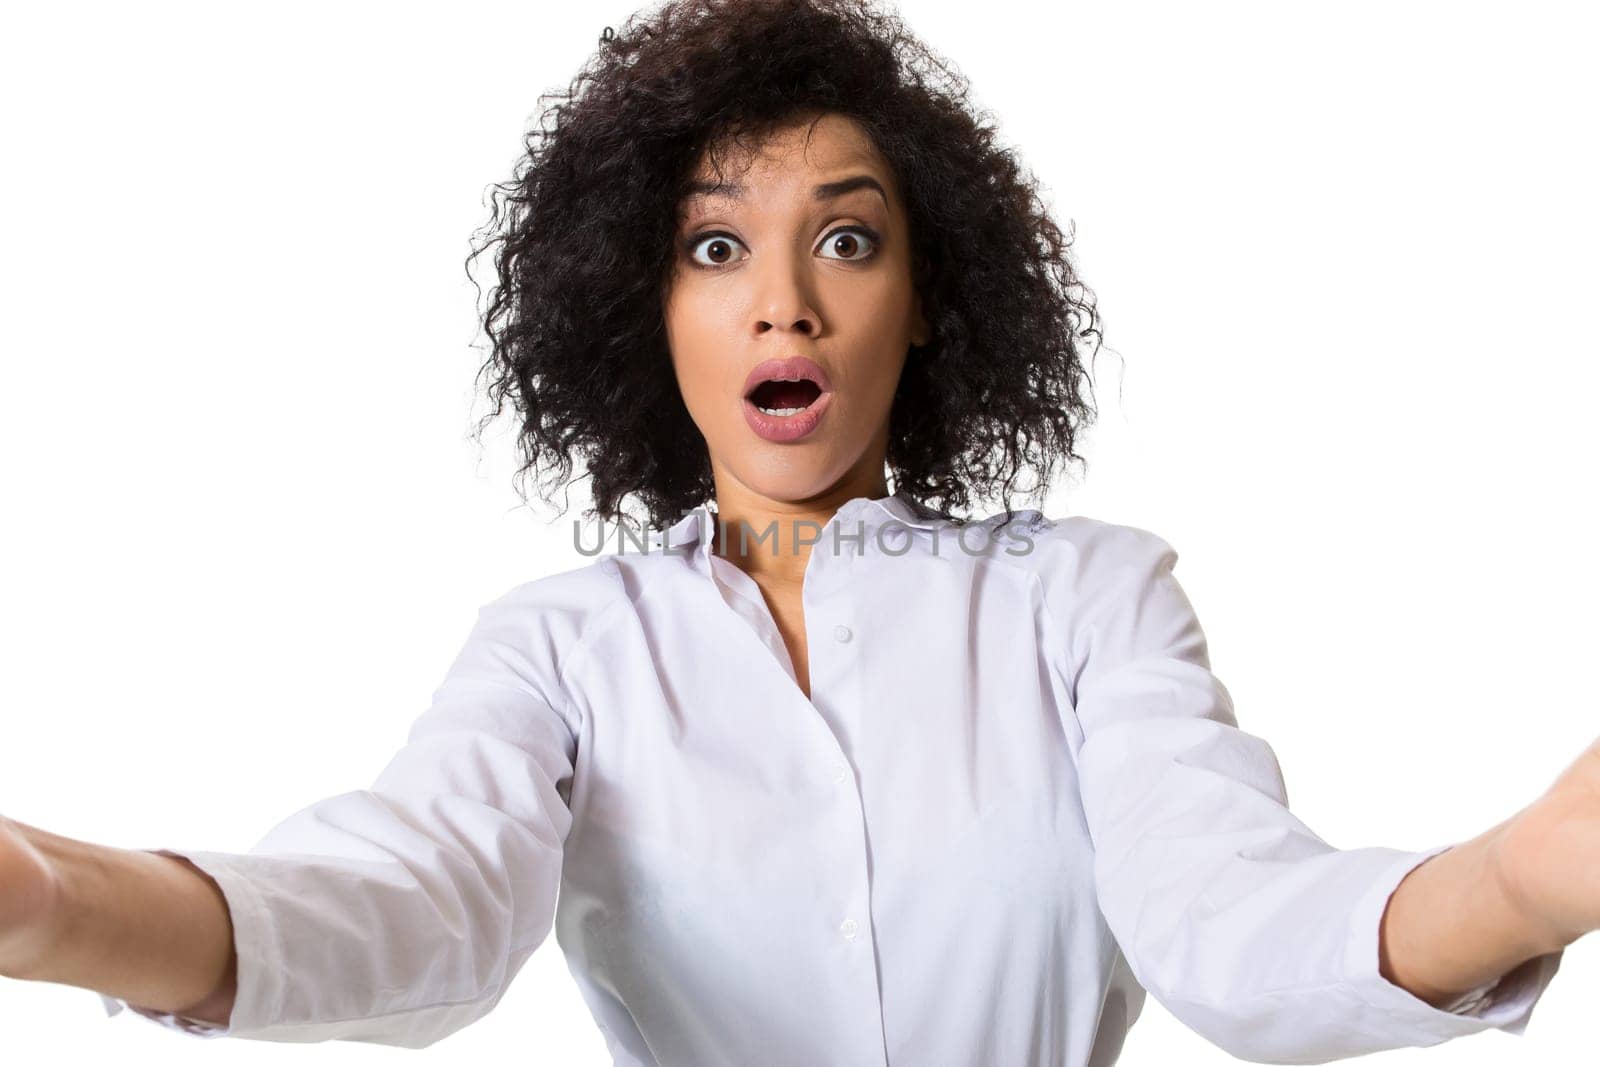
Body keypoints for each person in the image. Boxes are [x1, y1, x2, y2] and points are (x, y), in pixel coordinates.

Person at [1, 0, 1592, 1063]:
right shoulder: (563, 646)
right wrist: (52, 906)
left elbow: (1234, 927)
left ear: (931, 302)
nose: (785, 300)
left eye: (847, 236)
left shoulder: (1088, 597)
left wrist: (1529, 875)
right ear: (640, 310)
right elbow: (409, 904)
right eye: (713, 245)